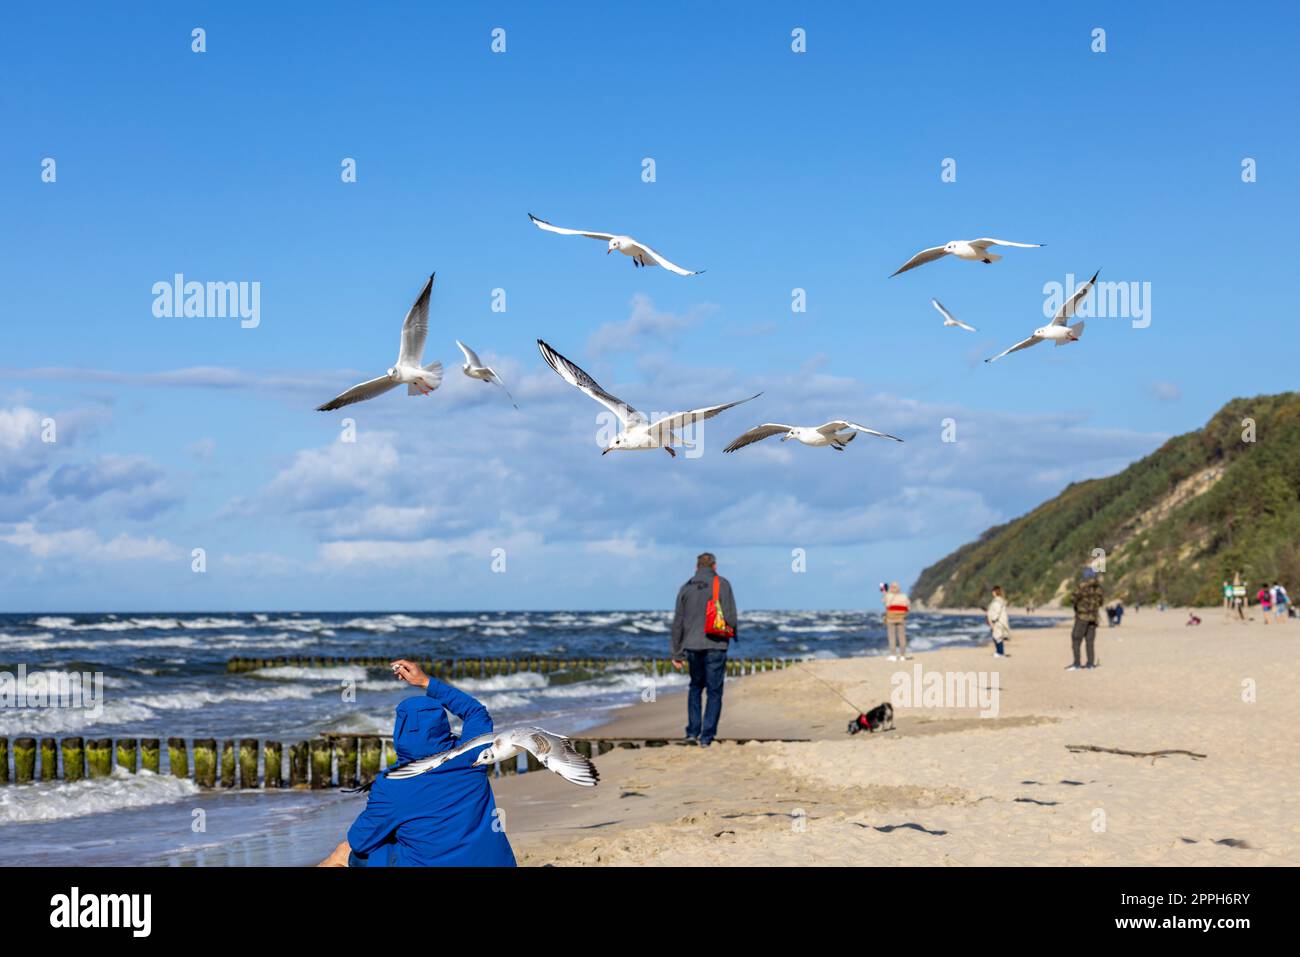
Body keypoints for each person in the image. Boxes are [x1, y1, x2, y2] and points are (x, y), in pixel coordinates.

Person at [317, 659, 516, 867]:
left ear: (399, 731)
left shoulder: (393, 782)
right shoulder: (472, 754)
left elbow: (360, 841)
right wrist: (425, 681)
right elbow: (476, 712)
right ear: (442, 724)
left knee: (344, 852)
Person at [670, 552, 738, 747]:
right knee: (714, 691)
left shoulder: (686, 587)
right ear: (714, 567)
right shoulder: (722, 584)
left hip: (691, 646)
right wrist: (730, 634)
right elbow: (731, 617)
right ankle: (706, 737)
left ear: (696, 567)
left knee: (695, 687)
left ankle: (692, 733)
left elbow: (678, 623)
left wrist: (676, 652)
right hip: (716, 644)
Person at [1068, 566, 1104, 671]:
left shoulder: (1082, 586)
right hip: (1094, 617)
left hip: (1082, 616)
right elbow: (1101, 602)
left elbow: (1073, 598)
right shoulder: (1099, 588)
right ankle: (1090, 664)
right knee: (1090, 641)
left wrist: (1079, 605)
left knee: (1076, 639)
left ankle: (1077, 664)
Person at [882, 581, 911, 661]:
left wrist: (885, 592)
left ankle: (893, 655)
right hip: (901, 618)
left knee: (892, 637)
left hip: (891, 618)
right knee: (902, 637)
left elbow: (884, 603)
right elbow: (908, 607)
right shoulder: (904, 596)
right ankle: (902, 656)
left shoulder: (888, 596)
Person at [986, 586, 1011, 657]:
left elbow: (996, 611)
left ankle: (1000, 652)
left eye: (993, 591)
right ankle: (999, 652)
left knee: (997, 637)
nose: (992, 593)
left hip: (998, 621)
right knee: (997, 636)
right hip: (999, 621)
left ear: (996, 592)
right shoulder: (998, 600)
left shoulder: (997, 601)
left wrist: (993, 620)